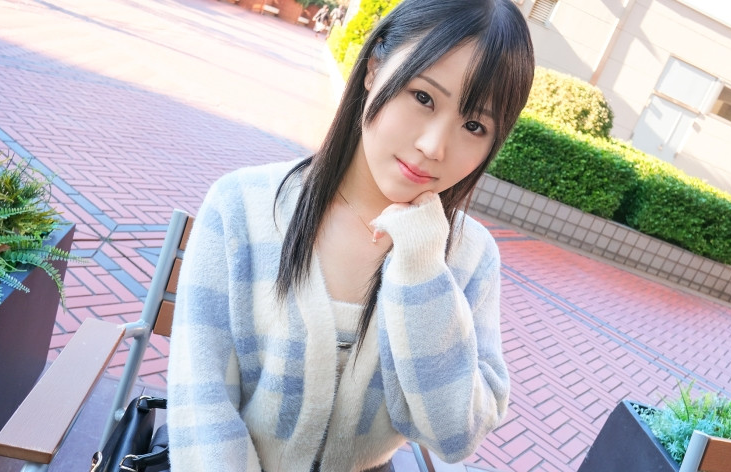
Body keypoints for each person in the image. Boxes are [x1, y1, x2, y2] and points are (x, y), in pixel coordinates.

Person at [166, 0, 535, 470]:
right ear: (375, 67)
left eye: (474, 126)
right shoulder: (241, 206)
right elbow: (202, 401)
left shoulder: (470, 256)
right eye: (424, 97)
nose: (433, 147)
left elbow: (455, 434)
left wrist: (423, 268)